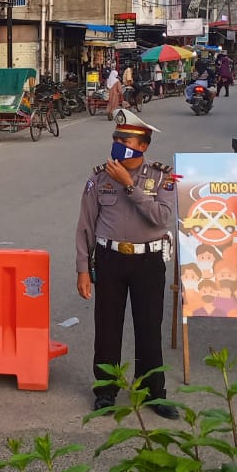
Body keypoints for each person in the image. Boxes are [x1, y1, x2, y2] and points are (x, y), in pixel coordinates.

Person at [74, 109, 179, 418]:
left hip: (148, 260)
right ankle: (106, 391)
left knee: (149, 327)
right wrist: (83, 269)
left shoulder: (163, 177)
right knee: (107, 328)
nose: (118, 144)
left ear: (143, 145)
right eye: (116, 138)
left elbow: (161, 217)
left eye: (125, 139)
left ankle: (153, 392)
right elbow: (85, 226)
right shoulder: (98, 178)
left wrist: (130, 187)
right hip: (109, 259)